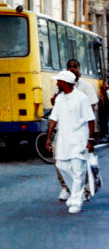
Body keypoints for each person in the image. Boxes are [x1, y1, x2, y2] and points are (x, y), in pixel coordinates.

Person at [45, 70, 95, 215]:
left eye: (58, 81)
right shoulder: (60, 98)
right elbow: (53, 119)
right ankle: (75, 192)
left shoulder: (81, 98)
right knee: (61, 165)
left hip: (79, 139)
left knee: (78, 170)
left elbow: (90, 119)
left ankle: (77, 201)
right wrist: (48, 138)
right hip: (63, 139)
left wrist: (90, 140)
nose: (56, 83)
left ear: (65, 83)